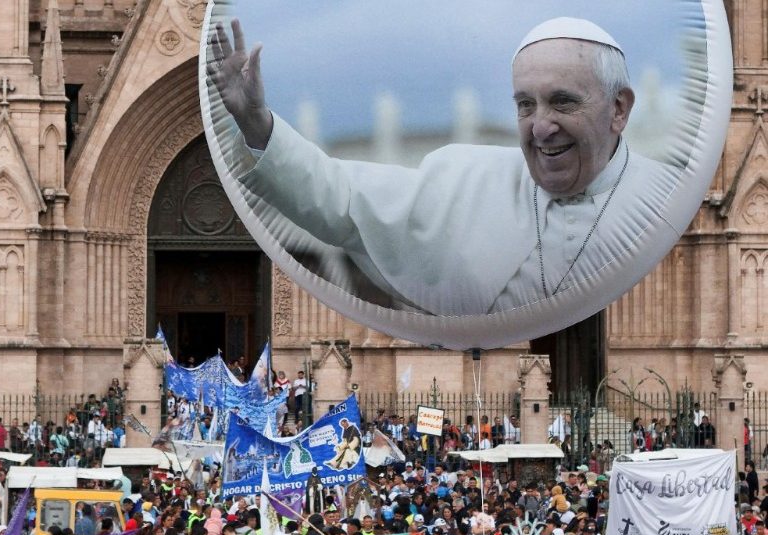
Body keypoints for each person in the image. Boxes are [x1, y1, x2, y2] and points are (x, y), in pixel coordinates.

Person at [208, 17, 677, 317]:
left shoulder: (668, 199)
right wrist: (257, 125)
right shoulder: (466, 180)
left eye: (562, 103)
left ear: (619, 109)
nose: (540, 127)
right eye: (524, 105)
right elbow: (346, 200)